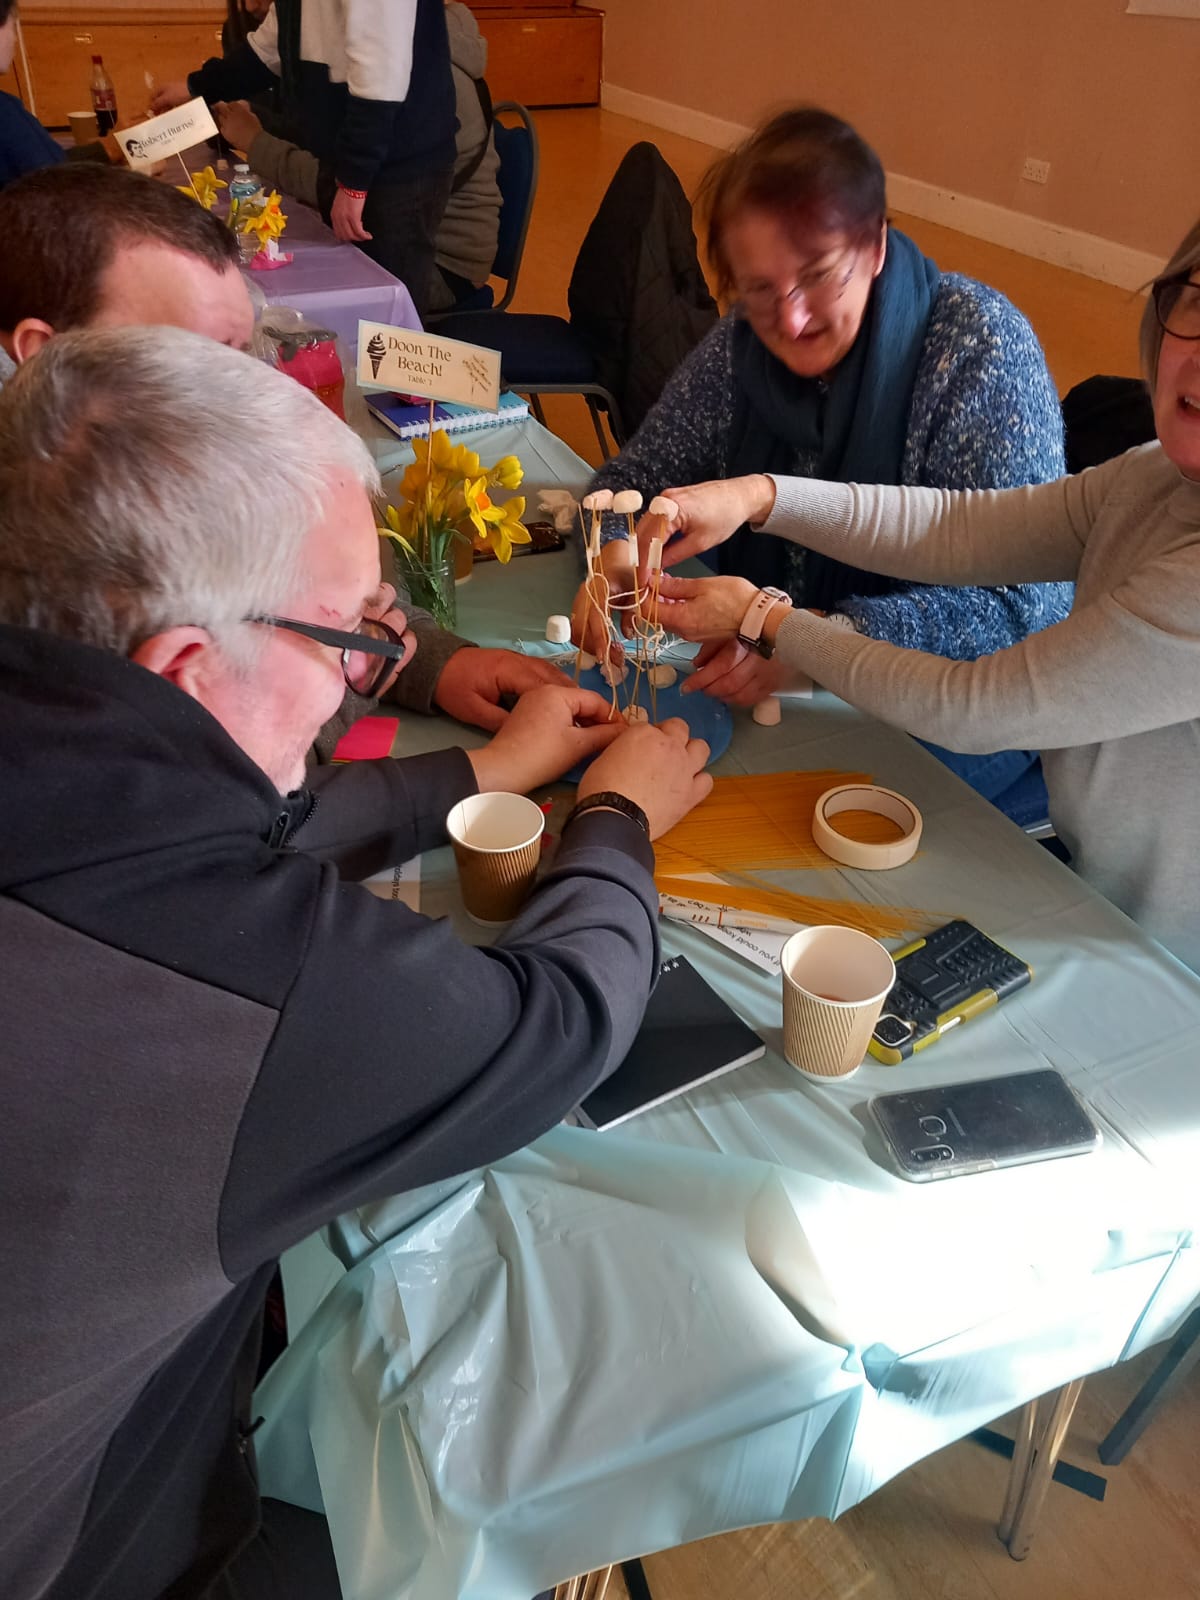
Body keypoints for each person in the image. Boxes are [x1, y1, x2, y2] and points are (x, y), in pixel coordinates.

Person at [0, 326, 712, 1600]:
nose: (352, 687)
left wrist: (481, 773)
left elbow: (175, 836)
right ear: (184, 665)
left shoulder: (61, 745)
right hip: (92, 1557)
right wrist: (614, 821)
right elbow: (553, 1025)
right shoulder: (252, 984)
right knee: (486, 1491)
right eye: (343, 641)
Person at [641, 217, 1200, 973]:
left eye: (816, 277)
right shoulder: (1155, 476)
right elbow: (965, 527)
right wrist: (759, 495)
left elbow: (977, 706)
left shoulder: (972, 345)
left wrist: (764, 620)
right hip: (1107, 895)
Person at [574, 107, 1072, 826]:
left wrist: (805, 638)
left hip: (938, 713)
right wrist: (616, 554)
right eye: (760, 290)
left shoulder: (976, 350)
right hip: (765, 674)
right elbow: (636, 476)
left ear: (874, 245)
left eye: (818, 277)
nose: (794, 319)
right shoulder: (741, 345)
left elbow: (1015, 615)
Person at [0, 162, 566, 735]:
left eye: (242, 353)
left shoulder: (129, 437)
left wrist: (437, 662)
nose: (247, 389)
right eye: (199, 358)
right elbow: (241, 764)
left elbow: (300, 587)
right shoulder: (42, 541)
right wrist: (361, 662)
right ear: (50, 358)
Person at [152, 0, 457, 320]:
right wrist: (194, 87)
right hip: (348, 159)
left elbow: (379, 77)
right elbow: (265, 53)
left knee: (386, 316)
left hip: (397, 169)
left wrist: (354, 182)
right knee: (350, 303)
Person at [213, 0, 502, 315]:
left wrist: (255, 141)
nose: (254, 5)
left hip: (444, 268)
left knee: (295, 302)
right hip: (383, 224)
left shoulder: (420, 74)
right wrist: (201, 91)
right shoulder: (327, 30)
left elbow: (344, 181)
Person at [0, 0, 114, 187]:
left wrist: (105, 150)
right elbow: (57, 183)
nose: (15, 39)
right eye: (13, 26)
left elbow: (45, 164)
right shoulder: (6, 112)